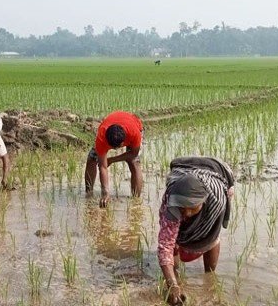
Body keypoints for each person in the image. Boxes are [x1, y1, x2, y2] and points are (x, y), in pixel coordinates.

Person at [157, 156, 235, 306]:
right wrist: (172, 284)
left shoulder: (217, 200)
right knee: (174, 240)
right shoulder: (171, 203)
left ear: (203, 201)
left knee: (211, 236)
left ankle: (210, 277)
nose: (186, 213)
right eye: (182, 207)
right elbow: (165, 245)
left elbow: (212, 235)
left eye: (192, 207)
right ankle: (177, 276)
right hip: (183, 175)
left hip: (217, 173)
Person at [85, 111, 144, 208]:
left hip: (134, 125)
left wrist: (112, 159)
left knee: (134, 162)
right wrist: (105, 193)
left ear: (122, 143)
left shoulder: (134, 133)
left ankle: (136, 200)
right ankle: (88, 193)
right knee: (92, 158)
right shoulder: (102, 137)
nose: (114, 149)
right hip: (112, 127)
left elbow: (133, 154)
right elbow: (103, 167)